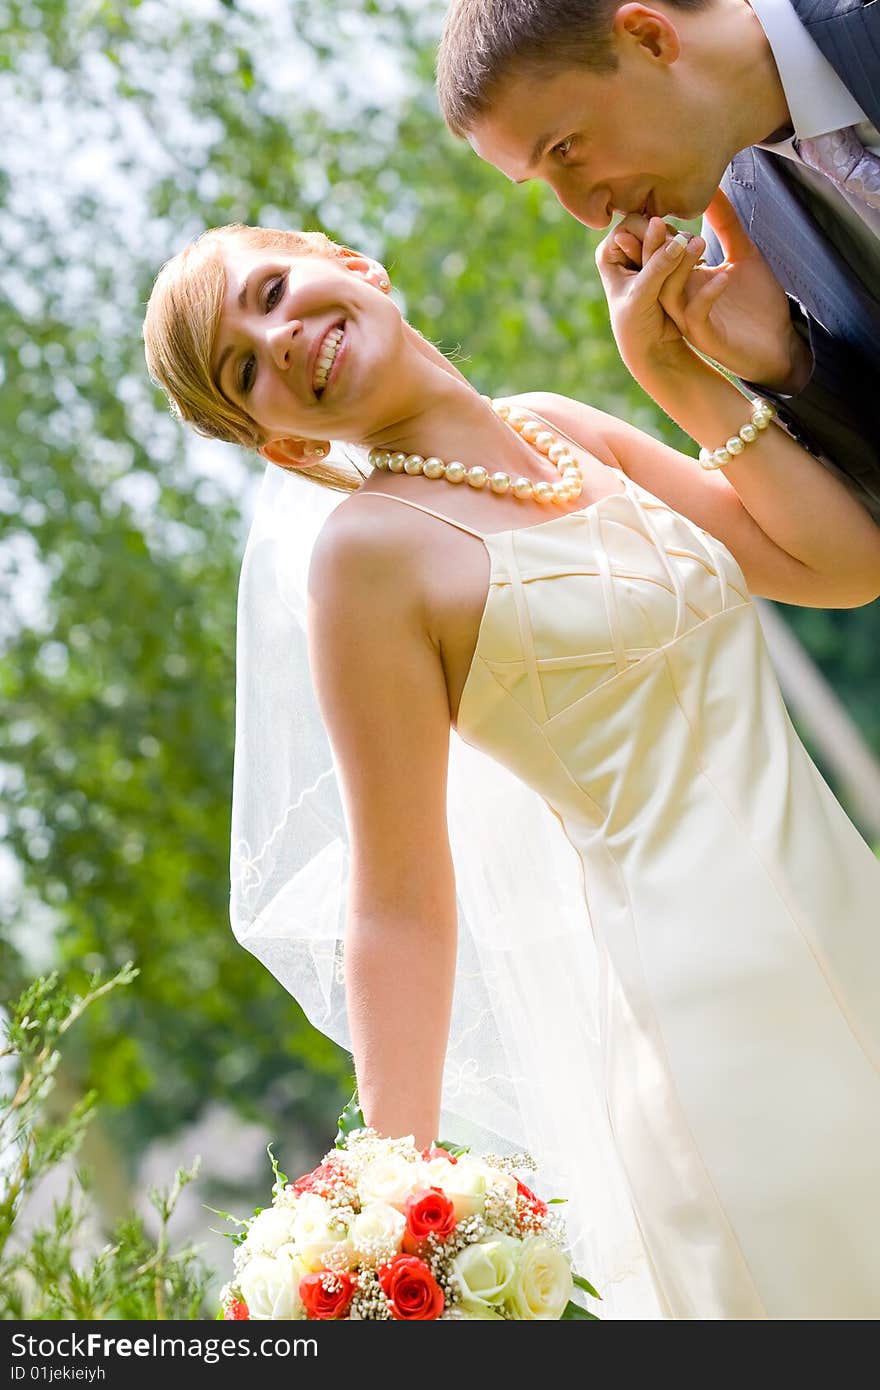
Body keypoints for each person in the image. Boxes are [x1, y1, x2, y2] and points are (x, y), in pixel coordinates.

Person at [143, 222, 880, 1319]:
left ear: (348, 263)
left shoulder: (563, 429)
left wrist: (670, 369)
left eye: (269, 291)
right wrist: (389, 1192)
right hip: (704, 1031)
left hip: (850, 916)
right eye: (245, 368)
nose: (280, 338)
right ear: (280, 443)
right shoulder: (367, 557)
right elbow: (397, 891)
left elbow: (844, 563)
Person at [436, 0, 880, 520]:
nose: (590, 215)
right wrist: (785, 360)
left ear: (649, 37)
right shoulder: (746, 255)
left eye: (565, 148)